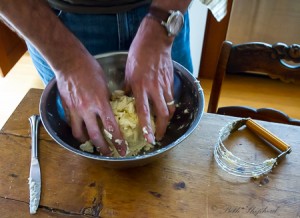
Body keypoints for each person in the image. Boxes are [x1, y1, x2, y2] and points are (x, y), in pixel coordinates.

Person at [0, 0, 226, 157]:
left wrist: (163, 21)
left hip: (165, 15)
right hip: (54, 23)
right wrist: (66, 60)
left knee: (179, 150)